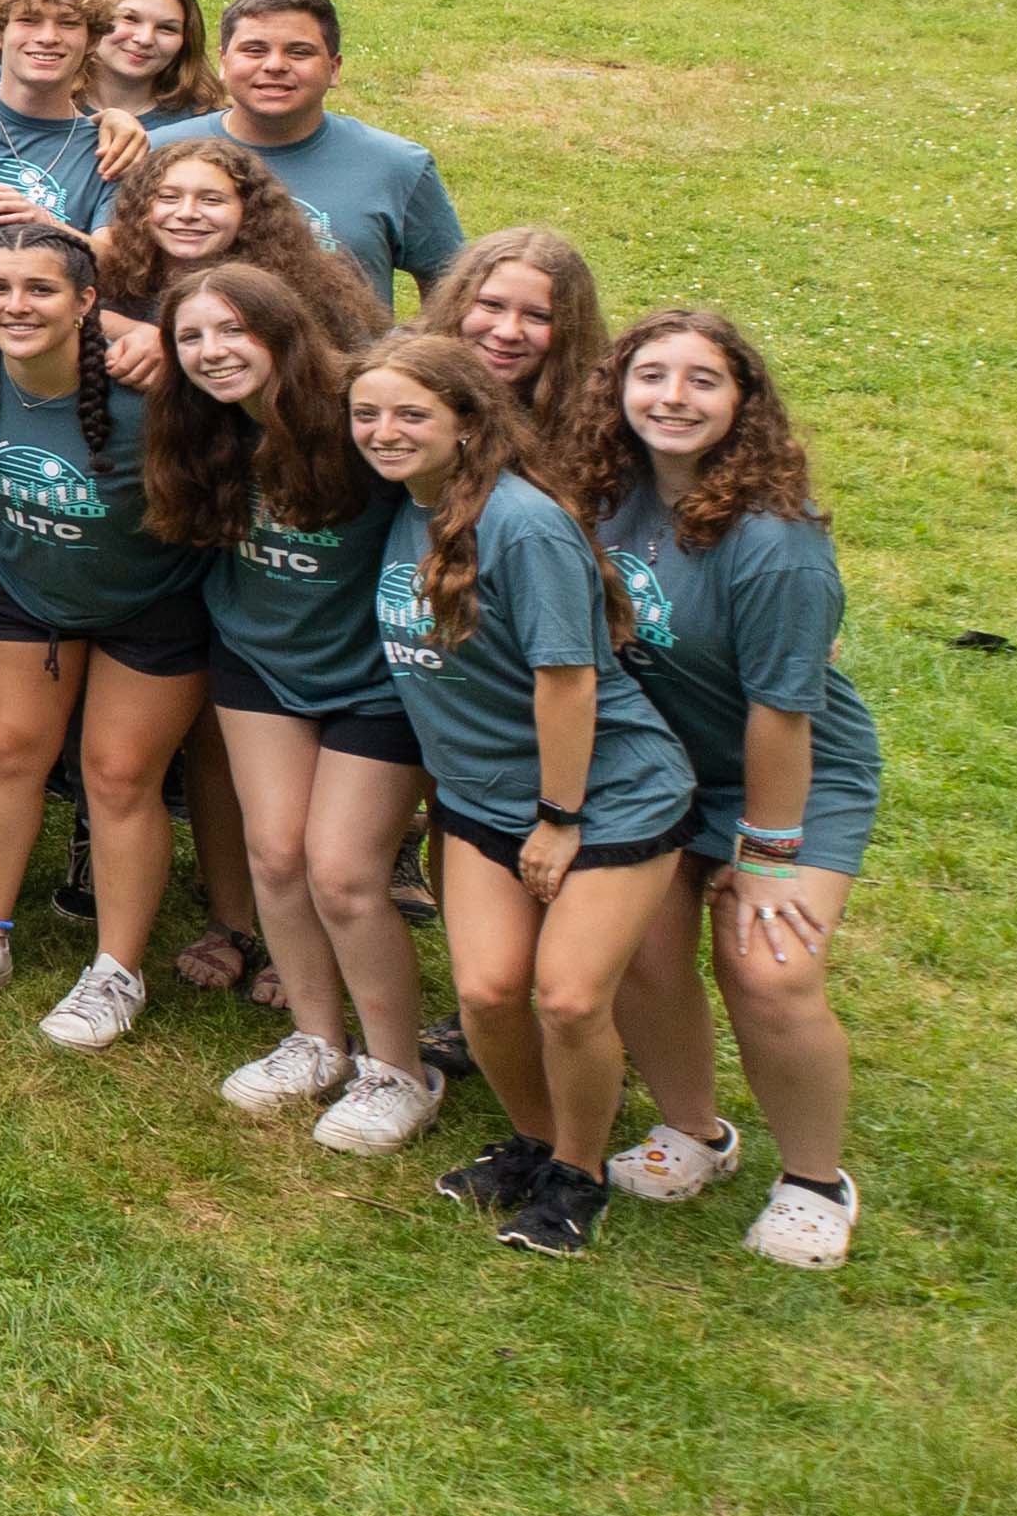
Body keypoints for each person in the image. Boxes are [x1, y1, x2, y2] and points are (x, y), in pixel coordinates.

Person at [354, 335, 670, 1259]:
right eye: (367, 414)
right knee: (489, 995)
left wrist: (560, 819)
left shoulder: (523, 523)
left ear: (467, 424)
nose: (384, 431)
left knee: (568, 1000)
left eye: (412, 414)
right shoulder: (405, 512)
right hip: (478, 796)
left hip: (603, 793)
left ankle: (579, 1173)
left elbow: (567, 681)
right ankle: (535, 1142)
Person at [598, 308, 878, 1267]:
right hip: (658, 770)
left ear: (743, 403)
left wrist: (765, 855)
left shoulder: (777, 543)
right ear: (620, 388)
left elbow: (783, 717)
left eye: (703, 380)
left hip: (790, 775)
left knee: (769, 971)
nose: (672, 397)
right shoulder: (602, 493)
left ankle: (814, 1181)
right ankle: (694, 1132)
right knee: (638, 948)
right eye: (652, 375)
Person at [155, 266, 442, 1152]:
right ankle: (316, 1040)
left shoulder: (360, 420)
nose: (212, 352)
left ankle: (399, 1070)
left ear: (283, 330)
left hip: (374, 677)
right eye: (192, 338)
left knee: (346, 876)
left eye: (233, 330)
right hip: (258, 661)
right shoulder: (199, 429)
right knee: (275, 855)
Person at [0, 225, 209, 1041]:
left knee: (120, 776)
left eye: (42, 289)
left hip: (150, 594)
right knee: (10, 750)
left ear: (89, 303)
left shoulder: (152, 386)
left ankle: (116, 971)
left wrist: (150, 335)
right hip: (23, 584)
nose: (17, 306)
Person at [150, 0, 462, 314]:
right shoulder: (159, 152)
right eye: (254, 50)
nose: (275, 65)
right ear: (224, 63)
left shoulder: (398, 165)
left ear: (335, 68)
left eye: (299, 52)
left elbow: (452, 291)